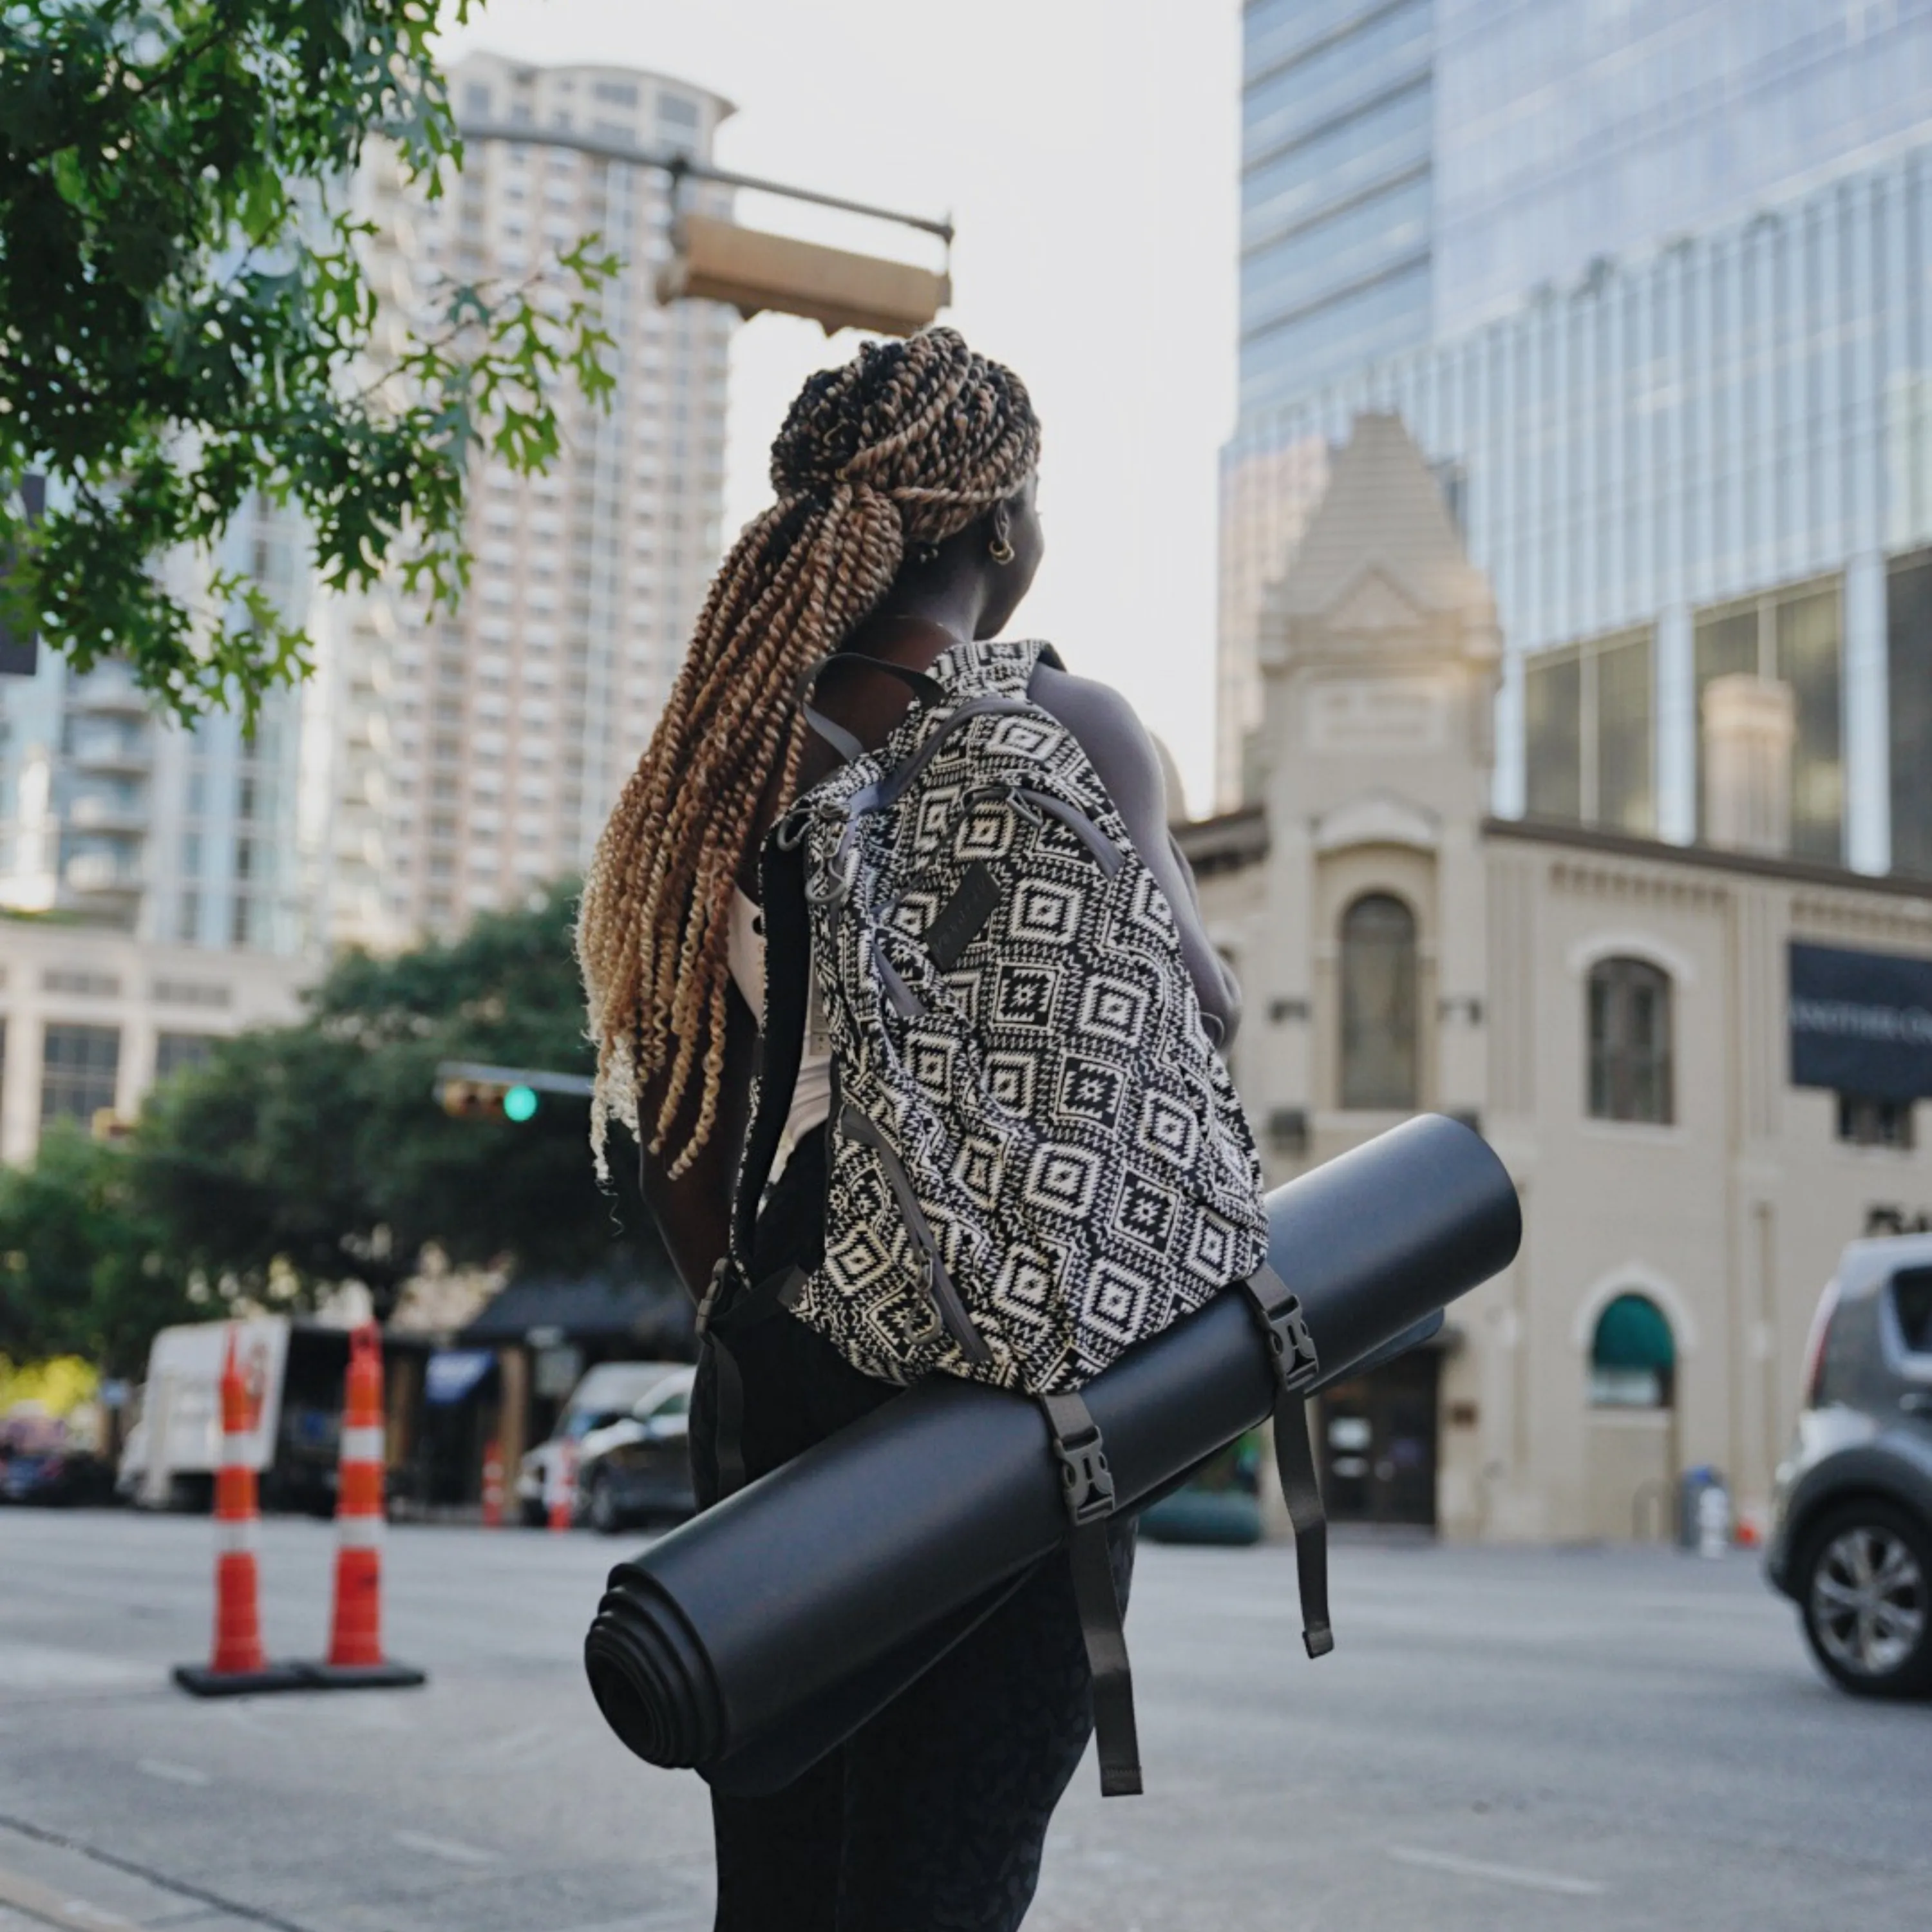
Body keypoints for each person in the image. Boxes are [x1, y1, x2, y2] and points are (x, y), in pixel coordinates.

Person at [578, 327, 1241, 1932]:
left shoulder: (715, 768)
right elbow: (1198, 1015)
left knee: (786, 1893)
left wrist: (772, 1333)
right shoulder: (1075, 726)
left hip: (784, 1401)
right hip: (1015, 1421)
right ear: (1001, 525)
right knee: (948, 1883)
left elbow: (677, 1128)